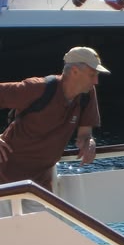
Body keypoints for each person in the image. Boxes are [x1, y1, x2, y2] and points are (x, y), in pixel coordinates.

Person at [0, 46, 110, 194]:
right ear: (74, 71)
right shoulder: (37, 88)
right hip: (4, 178)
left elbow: (85, 133)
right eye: (92, 74)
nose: (96, 81)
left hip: (38, 185)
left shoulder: (87, 95)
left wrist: (88, 141)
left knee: (43, 217)